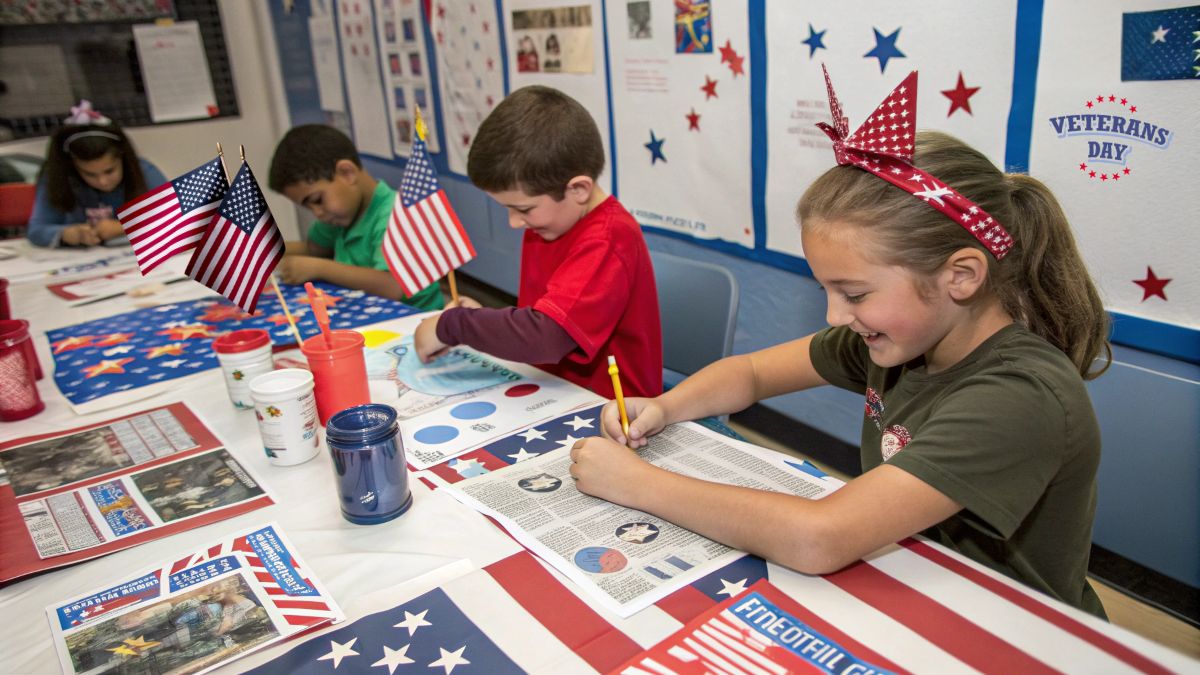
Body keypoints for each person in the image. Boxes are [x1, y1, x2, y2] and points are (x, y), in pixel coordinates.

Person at [570, 73, 1112, 618]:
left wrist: (639, 485)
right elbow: (751, 374)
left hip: (1014, 628)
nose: (835, 316)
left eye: (854, 294)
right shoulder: (906, 339)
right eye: (826, 291)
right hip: (912, 586)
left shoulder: (1020, 395)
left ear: (962, 276)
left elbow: (820, 537)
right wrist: (665, 407)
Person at [412, 85, 663, 399]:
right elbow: (542, 315)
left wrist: (454, 325)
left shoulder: (609, 238)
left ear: (578, 189)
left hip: (612, 408)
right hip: (552, 388)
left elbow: (548, 336)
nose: (514, 222)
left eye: (523, 209)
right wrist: (487, 321)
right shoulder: (547, 223)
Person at [267, 124, 443, 309]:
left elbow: (392, 286)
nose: (317, 213)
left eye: (317, 200)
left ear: (347, 173)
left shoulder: (397, 214)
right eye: (308, 207)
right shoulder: (338, 215)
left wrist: (318, 268)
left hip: (415, 318)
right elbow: (314, 250)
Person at [27, 101, 166, 248]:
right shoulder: (57, 178)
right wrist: (67, 234)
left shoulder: (144, 171)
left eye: (109, 171)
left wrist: (123, 227)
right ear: (72, 166)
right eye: (90, 174)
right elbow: (36, 230)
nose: (102, 181)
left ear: (123, 158)